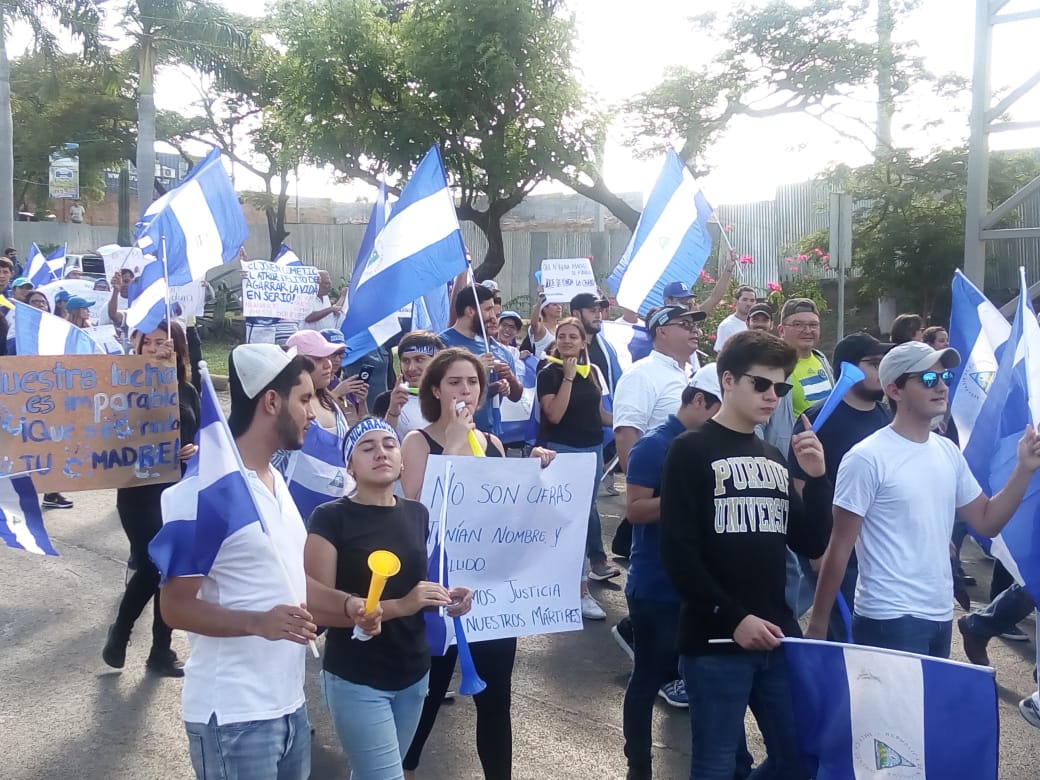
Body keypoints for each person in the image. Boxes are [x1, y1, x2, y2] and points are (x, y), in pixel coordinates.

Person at [660, 329, 832, 780]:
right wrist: (733, 617)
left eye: (782, 387)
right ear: (728, 381)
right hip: (715, 639)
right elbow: (678, 552)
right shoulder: (689, 449)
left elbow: (810, 543)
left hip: (777, 635)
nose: (773, 396)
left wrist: (816, 480)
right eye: (762, 384)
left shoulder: (774, 456)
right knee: (716, 764)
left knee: (799, 757)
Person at [807, 341, 1040, 657]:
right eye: (928, 380)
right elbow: (839, 547)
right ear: (895, 390)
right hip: (888, 618)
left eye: (946, 378)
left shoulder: (946, 451)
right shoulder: (866, 457)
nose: (942, 387)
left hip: (939, 615)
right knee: (893, 709)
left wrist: (1024, 468)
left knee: (926, 708)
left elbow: (987, 521)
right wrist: (818, 627)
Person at [158, 344, 320, 779]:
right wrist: (257, 623)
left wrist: (351, 608)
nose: (314, 412)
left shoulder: (276, 480)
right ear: (271, 401)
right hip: (232, 715)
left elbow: (289, 581)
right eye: (304, 399)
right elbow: (174, 607)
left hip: (290, 705)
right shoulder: (202, 491)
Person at [399, 348, 555, 780]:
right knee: (427, 694)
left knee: (495, 700)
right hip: (436, 589)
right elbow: (416, 512)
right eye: (454, 382)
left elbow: (508, 514)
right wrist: (450, 444)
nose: (465, 390)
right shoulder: (417, 441)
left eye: (472, 382)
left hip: (487, 593)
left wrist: (538, 471)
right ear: (435, 389)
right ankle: (404, 769)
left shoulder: (493, 444)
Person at [306, 417, 473, 779]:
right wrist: (404, 605)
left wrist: (447, 596)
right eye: (367, 447)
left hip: (413, 673)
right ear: (350, 465)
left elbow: (417, 584)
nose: (381, 452)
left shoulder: (417, 513)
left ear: (402, 461)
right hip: (357, 677)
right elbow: (318, 607)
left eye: (389, 444)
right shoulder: (330, 517)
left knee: (377, 773)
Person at [622, 367, 723, 779]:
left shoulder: (708, 445)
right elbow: (635, 510)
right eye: (718, 409)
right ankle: (638, 763)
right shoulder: (654, 445)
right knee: (649, 674)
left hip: (698, 581)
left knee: (701, 676)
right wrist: (683, 498)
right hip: (656, 583)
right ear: (698, 400)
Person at [102, 322, 200, 677]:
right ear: (139, 347)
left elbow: (198, 431)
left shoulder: (187, 389)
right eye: (150, 343)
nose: (157, 348)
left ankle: (161, 650)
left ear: (178, 350)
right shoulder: (125, 389)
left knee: (169, 570)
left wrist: (193, 450)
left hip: (175, 492)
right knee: (151, 565)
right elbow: (109, 431)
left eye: (165, 343)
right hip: (137, 491)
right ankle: (121, 631)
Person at [788, 333, 893, 641]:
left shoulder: (884, 414)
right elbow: (799, 485)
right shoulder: (818, 417)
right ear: (848, 368)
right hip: (839, 552)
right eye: (873, 363)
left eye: (884, 363)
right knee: (843, 641)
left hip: (878, 547)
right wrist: (818, 551)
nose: (881, 371)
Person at [537, 317, 617, 618]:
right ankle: (579, 589)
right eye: (562, 336)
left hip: (592, 452)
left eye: (573, 336)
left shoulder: (593, 371)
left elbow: (600, 414)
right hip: (563, 452)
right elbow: (555, 415)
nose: (567, 340)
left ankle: (581, 576)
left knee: (584, 514)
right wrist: (568, 377)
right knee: (573, 519)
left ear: (584, 341)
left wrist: (629, 420)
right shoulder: (549, 373)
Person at [612, 305, 704, 565]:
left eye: (694, 325)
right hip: (659, 491)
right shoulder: (641, 374)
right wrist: (641, 493)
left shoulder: (691, 374)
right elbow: (626, 433)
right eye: (685, 325)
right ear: (661, 331)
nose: (694, 330)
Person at [273, 330, 356, 522]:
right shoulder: (287, 409)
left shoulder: (333, 404)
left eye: (329, 357)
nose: (328, 364)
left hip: (334, 517)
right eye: (318, 359)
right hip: (294, 517)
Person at [438, 284, 522, 437]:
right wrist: (476, 368)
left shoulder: (489, 346)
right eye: (488, 309)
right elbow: (439, 392)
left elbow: (512, 395)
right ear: (470, 311)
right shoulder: (442, 343)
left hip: (487, 434)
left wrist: (500, 385)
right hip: (452, 435)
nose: (493, 316)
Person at [763, 297, 833, 457]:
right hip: (789, 457)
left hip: (823, 454)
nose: (807, 330)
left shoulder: (821, 359)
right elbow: (756, 422)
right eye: (798, 324)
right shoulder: (771, 365)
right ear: (781, 330)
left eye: (813, 324)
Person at [376, 331, 444, 438]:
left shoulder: (449, 397)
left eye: (419, 360)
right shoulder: (386, 401)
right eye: (406, 361)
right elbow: (379, 442)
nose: (411, 368)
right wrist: (393, 411)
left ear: (437, 360)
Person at [713, 285, 757, 353]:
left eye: (752, 300)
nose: (749, 303)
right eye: (744, 300)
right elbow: (722, 354)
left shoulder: (758, 324)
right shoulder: (726, 326)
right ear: (736, 301)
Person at [522, 293, 562, 358]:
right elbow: (534, 324)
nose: (559, 307)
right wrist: (540, 300)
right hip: (541, 366)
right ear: (545, 309)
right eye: (554, 305)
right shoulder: (541, 329)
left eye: (559, 304)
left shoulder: (560, 328)